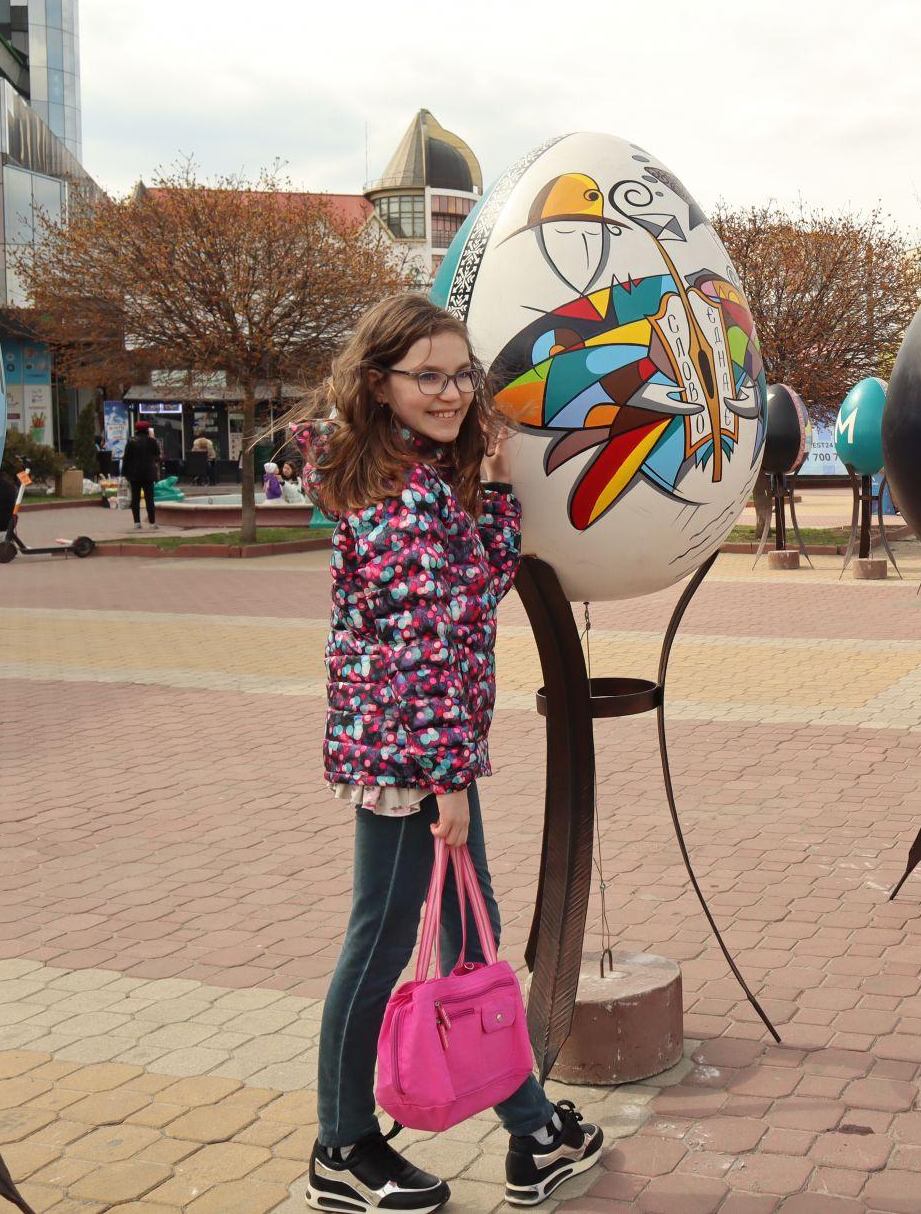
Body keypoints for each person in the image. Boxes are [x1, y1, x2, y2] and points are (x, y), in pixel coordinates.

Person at [294, 292, 603, 1212]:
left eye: (461, 373)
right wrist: (449, 783)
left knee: (468, 933)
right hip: (410, 759)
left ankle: (534, 1132)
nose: (452, 392)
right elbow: (426, 647)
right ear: (378, 382)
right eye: (426, 375)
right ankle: (342, 1144)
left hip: (417, 749)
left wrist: (497, 491)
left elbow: (471, 587)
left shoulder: (417, 474)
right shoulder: (397, 494)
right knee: (383, 943)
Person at [121, 422, 161, 528]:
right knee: (149, 499)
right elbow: (157, 455)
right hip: (148, 474)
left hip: (134, 474)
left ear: (136, 430)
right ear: (147, 430)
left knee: (135, 498)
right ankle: (152, 523)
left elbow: (126, 458)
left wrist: (124, 473)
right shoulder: (152, 441)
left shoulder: (131, 442)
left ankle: (137, 523)